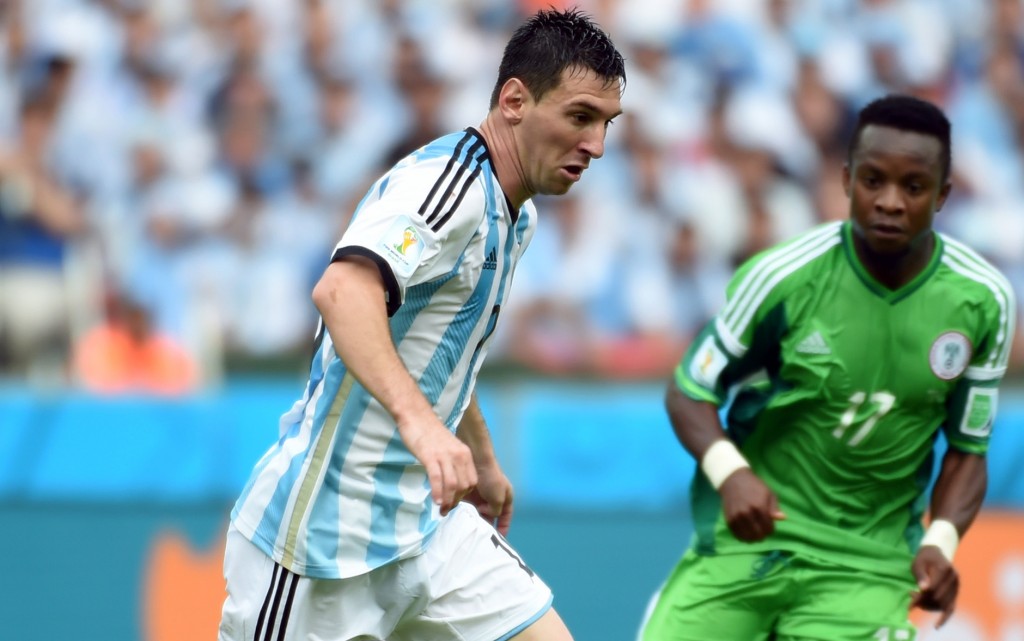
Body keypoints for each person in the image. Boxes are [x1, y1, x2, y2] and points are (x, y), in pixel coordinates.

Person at [219, 9, 624, 641]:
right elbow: (342, 291)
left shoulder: (517, 215)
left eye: (605, 124)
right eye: (580, 117)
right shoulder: (447, 184)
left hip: (429, 523)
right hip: (325, 538)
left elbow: (437, 347)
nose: (595, 145)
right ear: (514, 101)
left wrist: (479, 453)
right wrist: (424, 428)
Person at [638, 94, 1017, 641]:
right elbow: (689, 390)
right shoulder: (783, 277)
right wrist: (732, 474)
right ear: (846, 180)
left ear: (943, 195)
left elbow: (968, 449)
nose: (890, 202)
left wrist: (940, 543)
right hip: (754, 541)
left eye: (913, 187)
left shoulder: (983, 301)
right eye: (873, 181)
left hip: (868, 566)